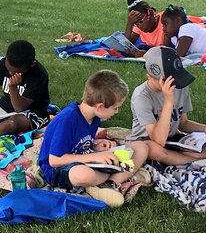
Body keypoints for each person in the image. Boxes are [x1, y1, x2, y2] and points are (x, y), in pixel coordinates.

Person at [36, 69, 148, 208]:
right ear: (100, 106)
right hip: (58, 170)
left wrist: (96, 147)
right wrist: (96, 156)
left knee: (141, 148)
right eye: (115, 108)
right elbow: (54, 160)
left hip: (87, 160)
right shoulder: (68, 119)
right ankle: (107, 183)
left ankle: (108, 183)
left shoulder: (94, 116)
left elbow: (80, 143)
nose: (117, 112)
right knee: (83, 174)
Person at [127, 46, 206, 166]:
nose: (174, 85)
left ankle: (192, 157)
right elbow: (158, 140)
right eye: (168, 81)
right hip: (149, 141)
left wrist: (204, 128)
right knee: (153, 149)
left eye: (175, 80)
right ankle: (195, 160)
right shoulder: (141, 96)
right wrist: (168, 101)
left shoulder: (179, 86)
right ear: (150, 76)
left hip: (173, 141)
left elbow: (183, 123)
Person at [123, 0, 206, 57]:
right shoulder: (139, 26)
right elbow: (128, 44)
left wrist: (146, 54)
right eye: (135, 23)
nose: (139, 26)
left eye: (140, 22)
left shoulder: (166, 21)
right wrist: (129, 23)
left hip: (193, 23)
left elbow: (166, 49)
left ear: (151, 14)